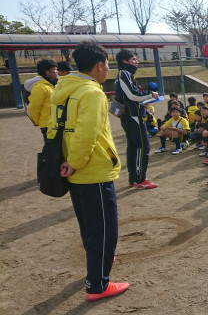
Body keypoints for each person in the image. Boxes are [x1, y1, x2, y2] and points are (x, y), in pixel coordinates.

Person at [47, 41, 129, 302]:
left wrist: (67, 161)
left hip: (74, 169)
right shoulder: (92, 93)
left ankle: (102, 256)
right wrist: (77, 161)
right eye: (106, 64)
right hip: (91, 170)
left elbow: (53, 128)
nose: (107, 70)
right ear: (98, 66)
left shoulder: (63, 89)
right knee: (104, 228)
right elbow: (87, 133)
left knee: (90, 225)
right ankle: (98, 285)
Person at [114, 50, 160, 189]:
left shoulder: (124, 74)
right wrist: (150, 94)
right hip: (133, 115)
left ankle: (133, 178)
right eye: (133, 59)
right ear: (124, 61)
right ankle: (140, 179)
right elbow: (133, 95)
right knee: (142, 147)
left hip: (129, 115)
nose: (136, 62)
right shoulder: (125, 74)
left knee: (133, 147)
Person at [28, 59, 58, 140]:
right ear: (47, 72)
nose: (57, 71)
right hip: (47, 124)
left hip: (55, 122)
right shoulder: (40, 87)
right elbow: (34, 106)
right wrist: (36, 121)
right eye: (54, 69)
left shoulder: (51, 84)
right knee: (51, 148)